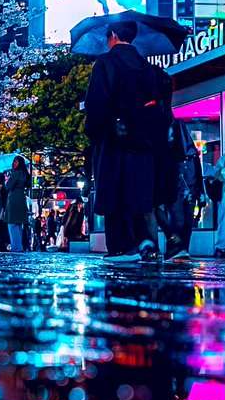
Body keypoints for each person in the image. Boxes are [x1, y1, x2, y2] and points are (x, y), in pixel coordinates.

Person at [84, 20, 170, 264]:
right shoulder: (147, 67)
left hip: (114, 138)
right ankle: (143, 241)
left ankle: (122, 247)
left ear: (112, 35)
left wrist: (93, 132)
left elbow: (96, 103)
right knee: (138, 192)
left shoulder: (106, 62)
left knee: (114, 191)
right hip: (144, 140)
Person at [156, 117, 205, 262]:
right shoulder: (184, 153)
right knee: (180, 221)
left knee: (185, 222)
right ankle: (178, 249)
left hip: (186, 190)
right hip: (179, 191)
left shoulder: (187, 154)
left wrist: (199, 191)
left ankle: (180, 249)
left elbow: (198, 173)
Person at [4, 156, 30, 252]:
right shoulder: (24, 174)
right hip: (21, 199)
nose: (14, 163)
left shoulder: (15, 174)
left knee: (12, 224)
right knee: (18, 224)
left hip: (13, 199)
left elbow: (7, 186)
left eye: (16, 161)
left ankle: (16, 247)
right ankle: (18, 246)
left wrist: (7, 179)